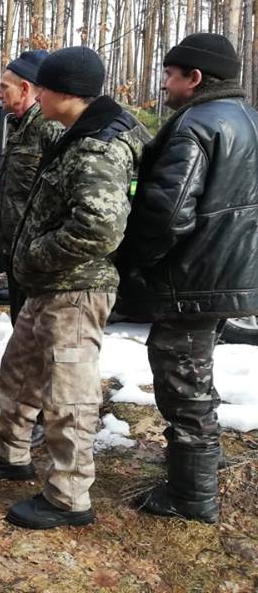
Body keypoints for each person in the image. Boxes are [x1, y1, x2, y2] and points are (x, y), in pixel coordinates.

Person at [0, 46, 148, 530]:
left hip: (76, 290)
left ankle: (68, 497)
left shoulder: (99, 146)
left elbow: (100, 228)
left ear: (66, 93)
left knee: (69, 396)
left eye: (42, 87)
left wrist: (34, 253)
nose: (35, 94)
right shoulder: (74, 135)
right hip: (47, 286)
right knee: (19, 373)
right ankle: (10, 455)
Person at [118, 33, 258, 524]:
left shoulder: (196, 125)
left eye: (169, 74)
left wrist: (137, 260)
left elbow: (168, 213)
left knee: (181, 383)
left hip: (195, 277)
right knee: (195, 375)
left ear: (194, 78)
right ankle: (205, 462)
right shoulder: (250, 120)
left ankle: (192, 497)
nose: (163, 84)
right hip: (230, 274)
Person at [0, 50, 64, 448]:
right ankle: (28, 408)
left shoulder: (48, 129)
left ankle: (43, 415)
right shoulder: (18, 126)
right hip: (17, 251)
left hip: (39, 255)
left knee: (42, 341)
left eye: (4, 87)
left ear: (26, 89)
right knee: (22, 332)